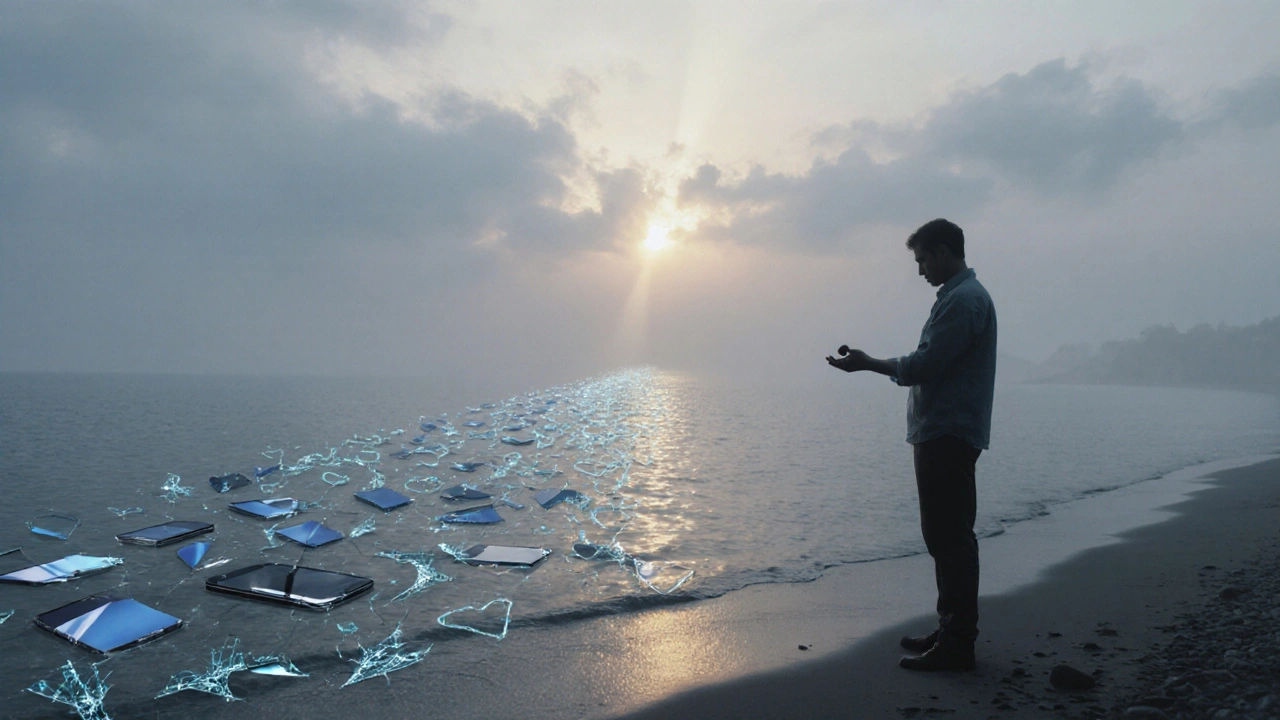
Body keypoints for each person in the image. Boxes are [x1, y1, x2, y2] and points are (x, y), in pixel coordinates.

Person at [825, 218, 997, 672]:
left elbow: (926, 364)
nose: (920, 270)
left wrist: (869, 364)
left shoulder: (963, 302)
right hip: (946, 430)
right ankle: (951, 629)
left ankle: (959, 641)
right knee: (944, 534)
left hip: (947, 432)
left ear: (942, 252)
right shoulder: (961, 299)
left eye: (922, 259)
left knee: (949, 536)